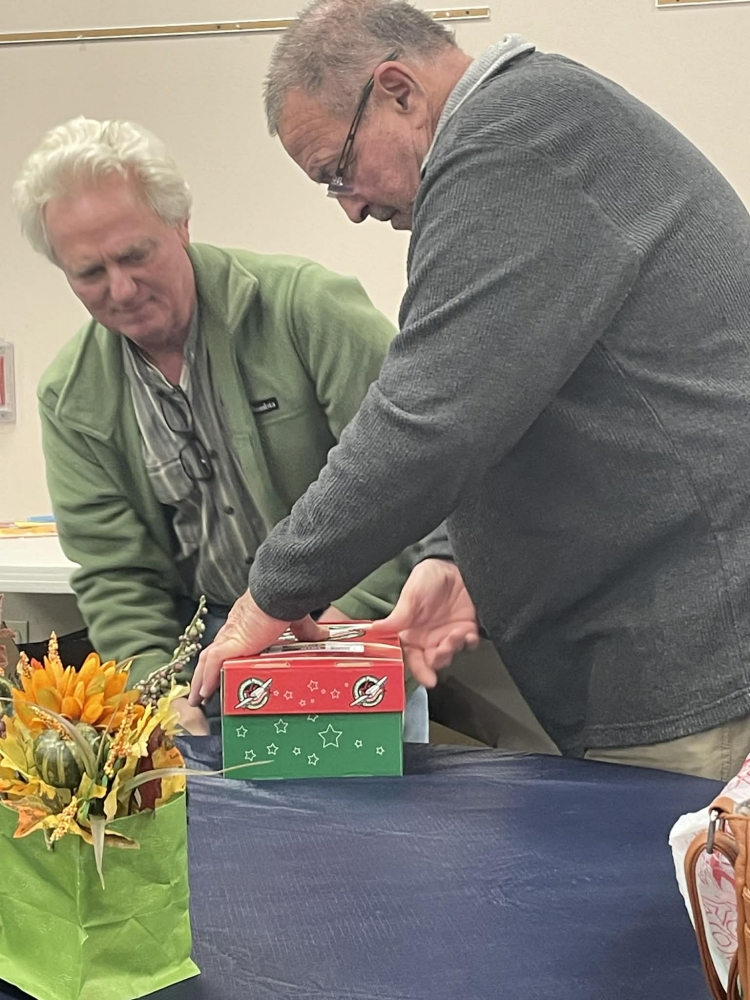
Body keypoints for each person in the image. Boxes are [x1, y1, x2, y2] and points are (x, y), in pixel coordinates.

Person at [190, 0, 750, 780]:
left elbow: (427, 420)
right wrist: (457, 560)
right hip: (665, 651)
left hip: (692, 664)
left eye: (336, 171)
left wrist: (269, 596)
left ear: (398, 91)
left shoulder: (511, 141)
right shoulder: (535, 127)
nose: (350, 207)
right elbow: (508, 392)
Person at [13, 115, 428, 739]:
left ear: (180, 223)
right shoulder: (71, 399)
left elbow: (416, 478)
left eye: (135, 255)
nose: (121, 289)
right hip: (205, 656)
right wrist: (160, 694)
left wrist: (335, 639)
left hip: (350, 625)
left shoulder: (307, 309)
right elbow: (117, 578)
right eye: (89, 273)